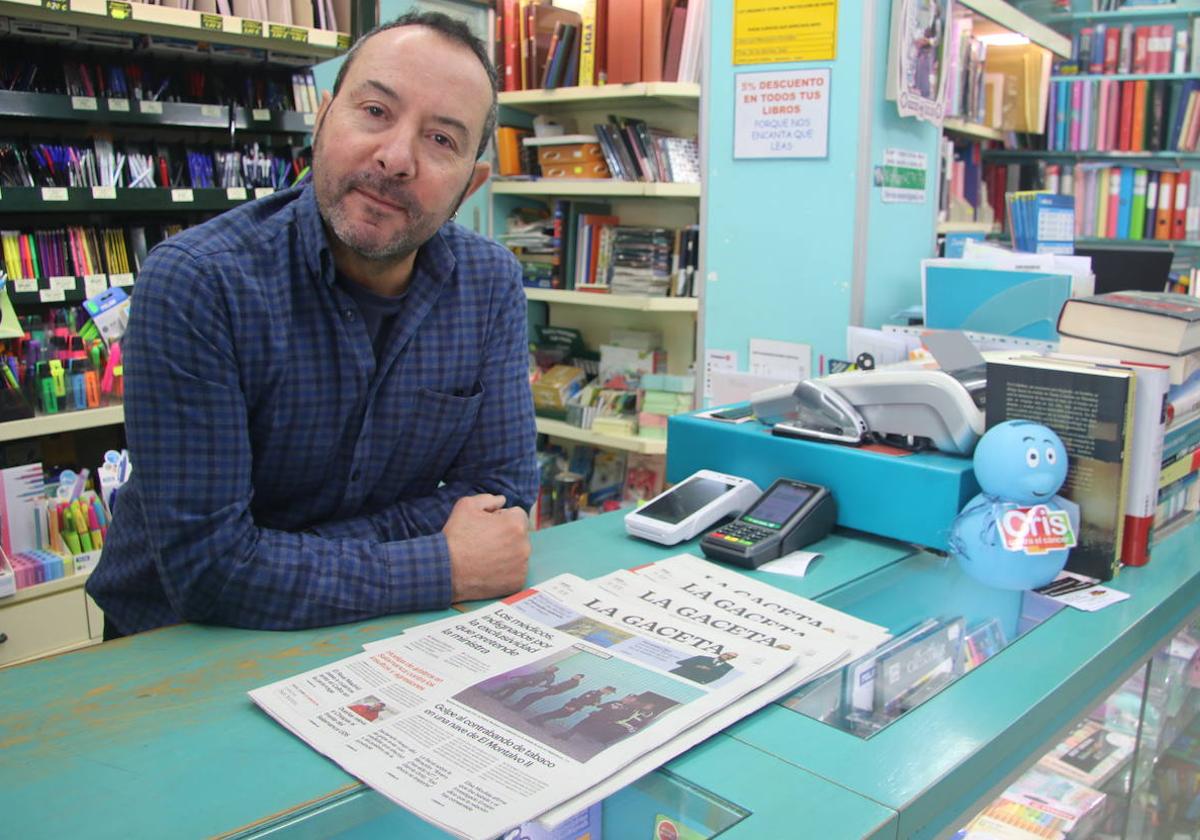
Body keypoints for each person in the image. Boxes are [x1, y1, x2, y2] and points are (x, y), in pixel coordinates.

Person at [86, 11, 537, 637]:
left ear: (471, 184)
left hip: (371, 633)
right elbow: (210, 571)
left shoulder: (488, 284)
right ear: (323, 119)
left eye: (442, 140)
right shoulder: (199, 282)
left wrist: (276, 551)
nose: (396, 157)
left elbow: (502, 493)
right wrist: (442, 561)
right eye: (376, 111)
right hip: (174, 647)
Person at [528, 686, 615, 726]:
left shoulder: (598, 696)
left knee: (559, 714)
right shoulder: (595, 693)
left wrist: (595, 704)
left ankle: (539, 720)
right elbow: (582, 700)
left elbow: (591, 703)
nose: (609, 694)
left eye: (610, 693)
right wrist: (574, 707)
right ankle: (535, 720)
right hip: (575, 705)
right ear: (606, 689)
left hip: (576, 706)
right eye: (609, 692)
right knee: (557, 713)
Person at [510, 673, 585, 711]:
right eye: (575, 675)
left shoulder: (574, 682)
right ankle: (518, 708)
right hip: (552, 690)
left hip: (553, 691)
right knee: (532, 697)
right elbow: (560, 686)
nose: (575, 676)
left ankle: (517, 707)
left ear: (580, 678)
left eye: (577, 676)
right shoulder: (572, 681)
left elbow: (561, 687)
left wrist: (548, 686)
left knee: (531, 696)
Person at [490, 666, 559, 701]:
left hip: (528, 683)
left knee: (510, 686)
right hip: (524, 679)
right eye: (549, 667)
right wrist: (518, 676)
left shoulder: (551, 676)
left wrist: (538, 684)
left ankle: (496, 694)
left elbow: (548, 684)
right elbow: (530, 674)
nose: (548, 668)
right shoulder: (543, 671)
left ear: (554, 670)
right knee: (512, 687)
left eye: (551, 668)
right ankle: (499, 696)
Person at [669, 651, 738, 684]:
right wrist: (697, 666)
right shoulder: (702, 658)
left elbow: (717, 677)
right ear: (722, 653)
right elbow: (680, 662)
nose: (728, 657)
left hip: (693, 682)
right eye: (727, 655)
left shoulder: (727, 667)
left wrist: (703, 683)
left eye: (732, 657)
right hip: (678, 675)